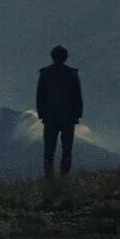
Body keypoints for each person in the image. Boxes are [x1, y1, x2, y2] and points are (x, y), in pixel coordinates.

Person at [36, 45, 83, 180]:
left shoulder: (45, 74)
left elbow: (40, 96)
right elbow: (77, 97)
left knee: (49, 150)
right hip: (68, 117)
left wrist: (42, 115)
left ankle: (49, 178)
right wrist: (77, 115)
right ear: (65, 57)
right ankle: (64, 177)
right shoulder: (72, 74)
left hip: (50, 117)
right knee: (67, 149)